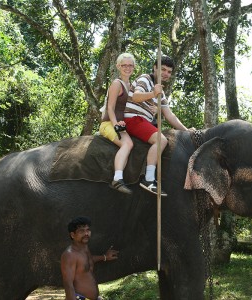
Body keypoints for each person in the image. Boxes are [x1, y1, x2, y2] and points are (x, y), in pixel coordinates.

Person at [124, 55, 189, 197]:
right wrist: (153, 92)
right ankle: (148, 179)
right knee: (161, 140)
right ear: (155, 68)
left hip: (144, 122)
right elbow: (136, 96)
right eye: (163, 69)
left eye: (169, 72)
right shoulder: (145, 79)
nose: (166, 74)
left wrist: (186, 131)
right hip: (134, 119)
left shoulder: (161, 93)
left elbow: (170, 115)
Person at [99, 53, 136, 194]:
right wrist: (116, 125)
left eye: (130, 65)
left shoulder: (132, 86)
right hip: (109, 123)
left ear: (133, 67)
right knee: (128, 143)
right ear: (118, 66)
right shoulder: (116, 84)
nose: (127, 68)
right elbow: (110, 107)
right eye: (124, 65)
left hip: (123, 124)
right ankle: (117, 179)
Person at [61, 216, 118, 300]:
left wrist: (104, 257)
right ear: (73, 235)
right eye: (81, 231)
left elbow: (87, 261)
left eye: (88, 230)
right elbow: (68, 284)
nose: (86, 233)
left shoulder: (84, 248)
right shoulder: (69, 255)